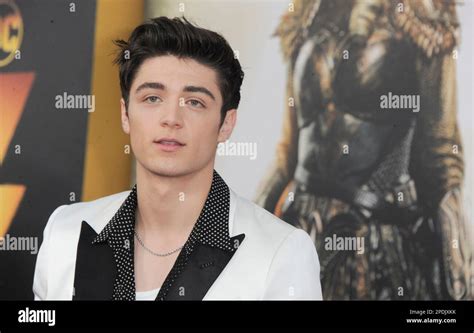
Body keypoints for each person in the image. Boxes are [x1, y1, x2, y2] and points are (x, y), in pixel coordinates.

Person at [33, 16, 322, 301]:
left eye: (194, 102)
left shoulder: (280, 253)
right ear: (125, 114)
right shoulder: (65, 233)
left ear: (226, 124)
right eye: (152, 98)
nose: (171, 119)